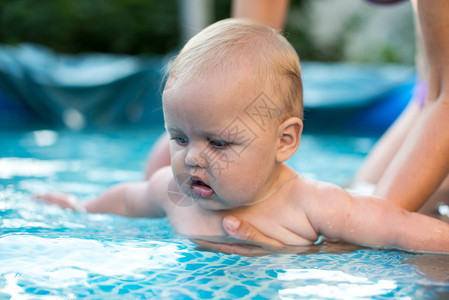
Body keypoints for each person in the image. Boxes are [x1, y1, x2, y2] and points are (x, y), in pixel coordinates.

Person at [35, 18, 449, 256]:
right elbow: (128, 199)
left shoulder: (311, 204)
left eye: (218, 143)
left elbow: (396, 228)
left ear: (284, 141)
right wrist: (80, 208)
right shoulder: (176, 194)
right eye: (179, 138)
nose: (193, 159)